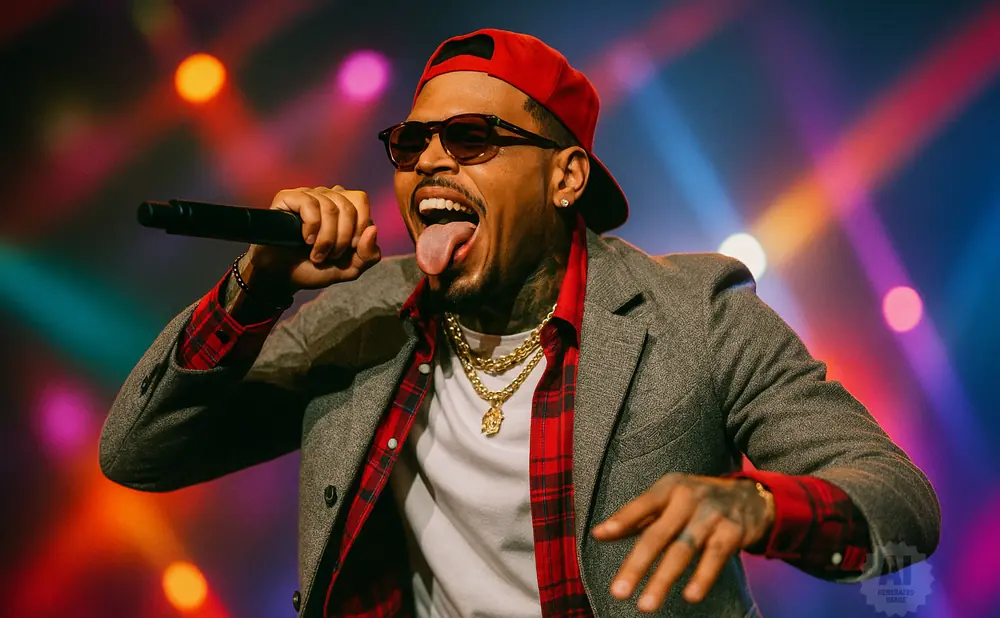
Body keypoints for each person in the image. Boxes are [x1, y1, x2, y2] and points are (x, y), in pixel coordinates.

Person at [100, 29, 939, 618]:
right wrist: (257, 285)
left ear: (567, 177)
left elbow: (900, 502)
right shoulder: (363, 316)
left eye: (471, 139)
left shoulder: (694, 313)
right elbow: (138, 451)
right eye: (411, 142)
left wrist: (757, 505)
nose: (430, 159)